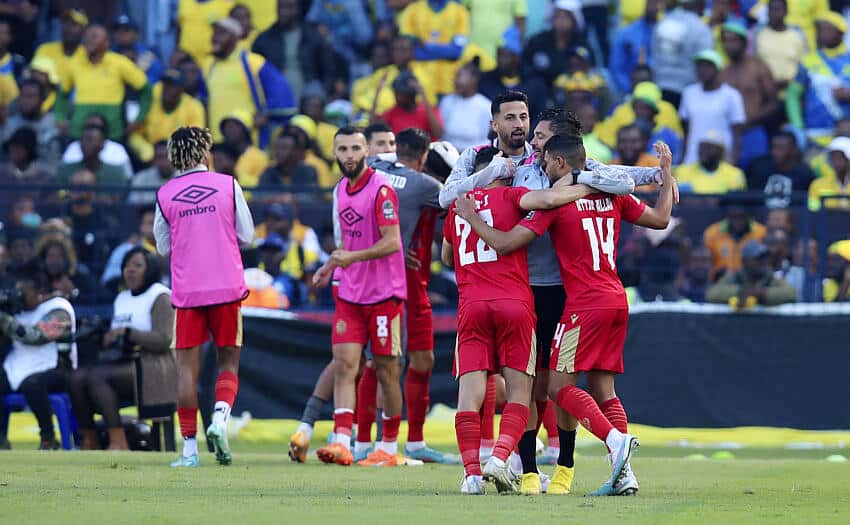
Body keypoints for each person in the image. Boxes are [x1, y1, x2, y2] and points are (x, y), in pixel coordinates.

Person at [453, 136, 675, 496]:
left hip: (582, 306)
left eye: (545, 160)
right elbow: (662, 219)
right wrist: (666, 175)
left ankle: (614, 439)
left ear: (559, 162)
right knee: (604, 389)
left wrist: (472, 216)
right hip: (616, 300)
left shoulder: (557, 203)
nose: (541, 166)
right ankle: (624, 474)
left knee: (557, 388)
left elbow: (505, 243)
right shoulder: (613, 195)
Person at [441, 148, 603, 494]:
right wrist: (587, 185)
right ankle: (500, 459)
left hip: (471, 304)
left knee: (469, 396)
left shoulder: (457, 206)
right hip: (514, 303)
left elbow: (445, 255)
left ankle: (471, 476)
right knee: (521, 392)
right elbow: (549, 200)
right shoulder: (513, 196)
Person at [286, 129, 400, 463]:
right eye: (343, 149)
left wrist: (351, 257)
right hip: (350, 292)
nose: (349, 155)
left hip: (383, 293)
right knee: (345, 365)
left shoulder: (381, 189)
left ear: (366, 151)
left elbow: (392, 241)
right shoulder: (339, 190)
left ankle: (389, 446)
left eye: (355, 148)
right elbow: (343, 245)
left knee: (386, 370)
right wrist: (330, 267)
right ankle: (341, 441)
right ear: (334, 153)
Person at [154, 126, 254, 467]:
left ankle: (189, 452)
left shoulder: (165, 194)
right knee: (228, 364)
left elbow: (163, 247)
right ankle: (220, 420)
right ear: (204, 152)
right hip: (227, 287)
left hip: (188, 292)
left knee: (186, 371)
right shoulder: (228, 184)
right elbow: (247, 235)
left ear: (174, 155)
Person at [353, 128, 445, 464]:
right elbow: (459, 198)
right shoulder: (426, 185)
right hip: (391, 278)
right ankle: (368, 442)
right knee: (381, 360)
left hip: (410, 280)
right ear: (423, 156)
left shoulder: (369, 169)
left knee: (421, 359)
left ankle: (413, 442)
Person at [70, 248, 175, 450]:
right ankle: (89, 439)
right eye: (127, 266)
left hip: (155, 366)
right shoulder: (122, 298)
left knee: (97, 377)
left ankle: (118, 440)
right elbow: (119, 335)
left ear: (150, 269)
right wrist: (106, 337)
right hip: (124, 360)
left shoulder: (160, 296)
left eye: (137, 265)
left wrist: (128, 333)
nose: (130, 270)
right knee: (76, 378)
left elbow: (164, 339)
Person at [0, 259, 76, 450]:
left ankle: (48, 438)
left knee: (32, 384)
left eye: (23, 293)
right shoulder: (16, 309)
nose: (18, 297)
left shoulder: (59, 309)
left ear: (40, 293)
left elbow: (35, 336)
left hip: (57, 368)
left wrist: (4, 320)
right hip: (18, 365)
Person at [204, 17, 295, 148]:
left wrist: (267, 114)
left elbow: (281, 90)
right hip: (217, 141)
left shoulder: (252, 62)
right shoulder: (208, 65)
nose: (215, 37)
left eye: (222, 33)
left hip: (248, 142)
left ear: (235, 37)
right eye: (214, 33)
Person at [55, 24, 152, 142]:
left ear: (107, 43)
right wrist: (60, 118)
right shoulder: (74, 63)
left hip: (112, 133)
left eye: (94, 36)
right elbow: (62, 94)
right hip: (79, 133)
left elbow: (146, 89)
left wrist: (139, 119)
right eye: (86, 36)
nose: (88, 40)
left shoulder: (120, 62)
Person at [252, 0, 343, 102]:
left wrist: (322, 93)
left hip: (310, 98)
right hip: (275, 97)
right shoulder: (265, 39)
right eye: (280, 7)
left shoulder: (314, 36)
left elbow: (329, 71)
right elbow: (255, 72)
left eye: (289, 8)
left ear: (298, 10)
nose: (283, 12)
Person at [719, 20, 777, 169]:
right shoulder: (722, 73)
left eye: (734, 40)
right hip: (729, 134)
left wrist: (751, 120)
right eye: (725, 41)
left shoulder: (759, 67)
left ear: (744, 43)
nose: (729, 45)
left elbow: (773, 103)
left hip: (754, 131)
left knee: (757, 170)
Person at [787, 12, 850, 145]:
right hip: (815, 134)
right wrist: (798, 126)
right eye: (820, 29)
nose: (822, 34)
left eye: (828, 29)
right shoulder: (808, 61)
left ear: (841, 33)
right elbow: (792, 95)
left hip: (846, 135)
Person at [680, 50, 745, 165]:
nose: (702, 70)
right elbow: (686, 131)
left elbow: (737, 134)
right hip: (692, 159)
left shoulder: (732, 95)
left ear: (718, 70)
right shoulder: (688, 93)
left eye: (708, 66)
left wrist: (734, 161)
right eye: (699, 66)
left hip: (721, 160)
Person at [129, 68, 206, 163]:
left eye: (172, 86)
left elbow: (196, 140)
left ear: (181, 89)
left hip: (180, 157)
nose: (166, 89)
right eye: (165, 84)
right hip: (152, 155)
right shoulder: (150, 100)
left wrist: (176, 154)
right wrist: (147, 152)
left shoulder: (194, 106)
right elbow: (134, 134)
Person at [397, 0, 471, 96]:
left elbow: (457, 51)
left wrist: (425, 47)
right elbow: (410, 51)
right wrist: (447, 50)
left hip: (449, 82)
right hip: (420, 83)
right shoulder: (412, 11)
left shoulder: (460, 12)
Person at [651, 0, 713, 107]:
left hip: (659, 87)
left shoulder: (663, 22)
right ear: (698, 4)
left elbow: (654, 55)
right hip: (686, 90)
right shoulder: (701, 28)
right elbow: (705, 62)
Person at [480, 28, 549, 121]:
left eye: (504, 56)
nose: (500, 60)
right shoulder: (487, 81)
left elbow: (539, 117)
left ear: (517, 58)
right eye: (498, 55)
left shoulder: (534, 84)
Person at [706, 240, 796, 307]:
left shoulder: (769, 277)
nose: (763, 261)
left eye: (764, 257)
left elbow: (791, 293)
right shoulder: (736, 276)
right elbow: (712, 293)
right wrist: (741, 292)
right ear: (744, 261)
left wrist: (762, 294)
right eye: (758, 258)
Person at [522, 0, 584, 88]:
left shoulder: (581, 43)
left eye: (566, 17)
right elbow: (525, 66)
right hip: (541, 88)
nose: (561, 21)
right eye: (558, 16)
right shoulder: (538, 41)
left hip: (570, 89)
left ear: (574, 20)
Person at [0, 79, 61, 167]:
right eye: (22, 96)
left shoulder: (55, 123)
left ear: (42, 99)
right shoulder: (8, 125)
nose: (25, 101)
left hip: (48, 171)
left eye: (30, 96)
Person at [610, 0, 664, 95]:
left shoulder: (665, 32)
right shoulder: (627, 33)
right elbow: (616, 66)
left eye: (657, 2)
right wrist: (629, 88)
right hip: (630, 90)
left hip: (660, 89)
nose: (654, 6)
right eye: (651, 3)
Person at [753, 0, 806, 95]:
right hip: (765, 92)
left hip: (792, 93)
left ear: (786, 12)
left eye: (778, 9)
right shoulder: (757, 34)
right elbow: (752, 63)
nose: (774, 13)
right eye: (771, 9)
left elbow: (804, 64)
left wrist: (793, 82)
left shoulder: (797, 35)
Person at [704, 203, 767, 279]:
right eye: (734, 216)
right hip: (720, 281)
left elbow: (765, 262)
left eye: (741, 216)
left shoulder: (761, 232)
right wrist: (718, 273)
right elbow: (705, 262)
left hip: (751, 281)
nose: (737, 220)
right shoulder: (712, 232)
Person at [438, 62, 492, 151]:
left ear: (473, 79)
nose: (455, 81)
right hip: (448, 152)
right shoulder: (447, 101)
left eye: (459, 76)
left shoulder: (486, 106)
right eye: (455, 77)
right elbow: (440, 133)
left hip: (474, 154)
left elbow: (485, 139)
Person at [378, 71, 444, 141]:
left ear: (412, 95)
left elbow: (438, 134)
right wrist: (377, 94)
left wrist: (423, 95)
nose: (397, 97)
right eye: (396, 93)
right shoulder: (393, 112)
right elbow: (376, 131)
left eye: (401, 94)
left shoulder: (427, 111)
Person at [55, 124, 127, 187]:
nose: (86, 144)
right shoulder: (64, 170)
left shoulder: (116, 173)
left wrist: (90, 194)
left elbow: (120, 197)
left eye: (91, 140)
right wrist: (71, 192)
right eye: (83, 140)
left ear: (102, 144)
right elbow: (57, 195)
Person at [676, 131, 747, 194]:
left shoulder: (734, 175)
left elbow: (736, 203)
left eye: (708, 148)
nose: (703, 151)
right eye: (701, 147)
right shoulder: (683, 172)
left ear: (720, 151)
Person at [746, 130, 815, 194]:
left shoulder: (805, 174)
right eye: (773, 147)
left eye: (780, 148)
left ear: (794, 150)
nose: (774, 152)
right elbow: (749, 197)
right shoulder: (759, 167)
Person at [32, 8, 86, 88]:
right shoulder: (45, 49)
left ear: (83, 30)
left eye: (74, 24)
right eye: (66, 23)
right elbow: (35, 78)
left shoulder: (87, 55)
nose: (68, 28)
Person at [219, 110, 270, 189]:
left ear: (246, 130)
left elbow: (261, 186)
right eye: (227, 126)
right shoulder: (218, 155)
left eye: (235, 126)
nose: (229, 130)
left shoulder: (260, 157)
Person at [177, 0, 234, 64]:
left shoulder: (225, 4)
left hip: (208, 57)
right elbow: (178, 26)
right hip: (184, 54)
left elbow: (232, 32)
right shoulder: (185, 2)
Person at [112, 15, 164, 84]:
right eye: (117, 30)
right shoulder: (108, 54)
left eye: (126, 30)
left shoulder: (147, 56)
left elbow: (155, 83)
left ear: (136, 34)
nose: (121, 34)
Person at [809, 136, 850, 211]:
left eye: (841, 157)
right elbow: (813, 212)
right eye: (833, 157)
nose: (836, 162)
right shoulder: (817, 184)